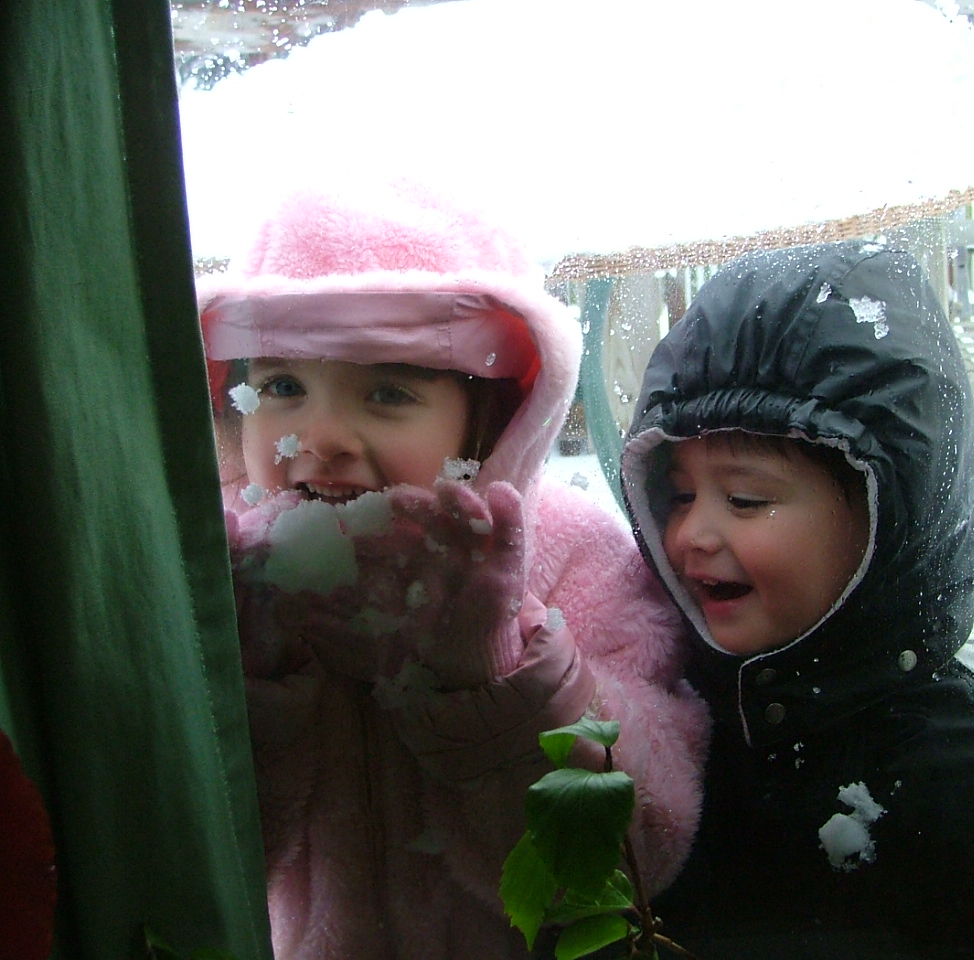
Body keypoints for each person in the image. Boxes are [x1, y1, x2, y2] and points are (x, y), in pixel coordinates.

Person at [198, 182, 708, 960]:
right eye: (282, 387)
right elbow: (192, 866)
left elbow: (640, 854)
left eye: (390, 392)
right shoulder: (223, 575)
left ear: (496, 412)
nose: (318, 437)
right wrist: (250, 683)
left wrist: (498, 677)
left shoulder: (573, 555)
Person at [621, 241, 974, 959]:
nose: (691, 534)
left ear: (885, 515)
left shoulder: (967, 774)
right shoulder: (663, 714)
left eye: (745, 499)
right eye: (677, 496)